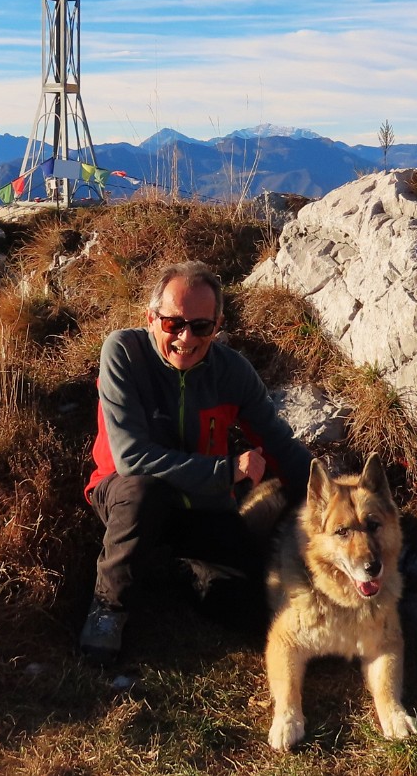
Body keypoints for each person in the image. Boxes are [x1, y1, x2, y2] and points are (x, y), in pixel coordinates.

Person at [80, 260, 314, 663]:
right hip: (126, 494)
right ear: (151, 318)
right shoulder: (123, 352)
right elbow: (131, 457)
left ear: (218, 324)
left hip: (204, 507)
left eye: (202, 327)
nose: (186, 338)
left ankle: (174, 570)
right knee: (143, 493)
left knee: (251, 609)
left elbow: (278, 443)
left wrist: (337, 495)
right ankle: (108, 607)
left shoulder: (232, 372)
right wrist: (224, 471)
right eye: (174, 324)